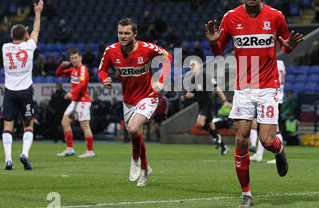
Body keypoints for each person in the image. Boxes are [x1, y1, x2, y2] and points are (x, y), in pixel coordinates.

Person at [205, 0, 304, 207]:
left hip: (268, 87)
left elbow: (286, 46)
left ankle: (278, 151)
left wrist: (289, 46)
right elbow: (218, 50)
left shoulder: (276, 16)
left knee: (267, 140)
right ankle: (246, 194)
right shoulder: (230, 18)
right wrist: (211, 41)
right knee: (240, 140)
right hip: (243, 88)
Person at [98, 18, 172, 187]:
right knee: (135, 134)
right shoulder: (111, 51)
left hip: (148, 96)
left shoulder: (147, 49)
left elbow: (168, 58)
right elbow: (101, 70)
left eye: (126, 33)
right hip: (128, 100)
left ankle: (135, 159)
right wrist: (105, 80)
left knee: (132, 128)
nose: (122, 36)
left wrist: (161, 79)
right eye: (120, 33)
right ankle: (146, 170)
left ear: (135, 34)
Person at [0, 0, 43, 170]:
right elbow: (36, 31)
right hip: (25, 92)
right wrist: (37, 13)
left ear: (11, 37)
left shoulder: (5, 48)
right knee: (28, 124)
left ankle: (8, 159)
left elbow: (19, 38)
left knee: (8, 125)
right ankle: (24, 154)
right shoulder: (29, 46)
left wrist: (22, 34)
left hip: (9, 92)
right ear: (25, 35)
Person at [180, 58, 231, 155]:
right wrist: (184, 96)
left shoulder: (206, 77)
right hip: (201, 104)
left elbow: (217, 88)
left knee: (200, 123)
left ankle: (216, 137)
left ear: (199, 66)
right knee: (211, 126)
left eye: (194, 65)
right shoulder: (193, 79)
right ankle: (224, 147)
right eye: (191, 65)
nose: (192, 67)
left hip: (208, 103)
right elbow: (191, 94)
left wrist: (225, 100)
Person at [55, 47, 95, 158]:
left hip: (82, 101)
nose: (74, 60)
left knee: (85, 126)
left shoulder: (82, 69)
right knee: (65, 122)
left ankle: (90, 151)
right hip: (75, 101)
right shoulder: (73, 70)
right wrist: (61, 66)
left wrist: (72, 93)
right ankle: (69, 149)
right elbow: (59, 74)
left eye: (76, 57)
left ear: (80, 57)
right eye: (72, 58)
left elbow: (82, 85)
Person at [250, 58, 286, 162]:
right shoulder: (281, 63)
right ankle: (260, 153)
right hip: (278, 96)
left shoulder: (270, 62)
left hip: (269, 96)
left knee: (270, 127)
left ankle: (278, 155)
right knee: (265, 125)